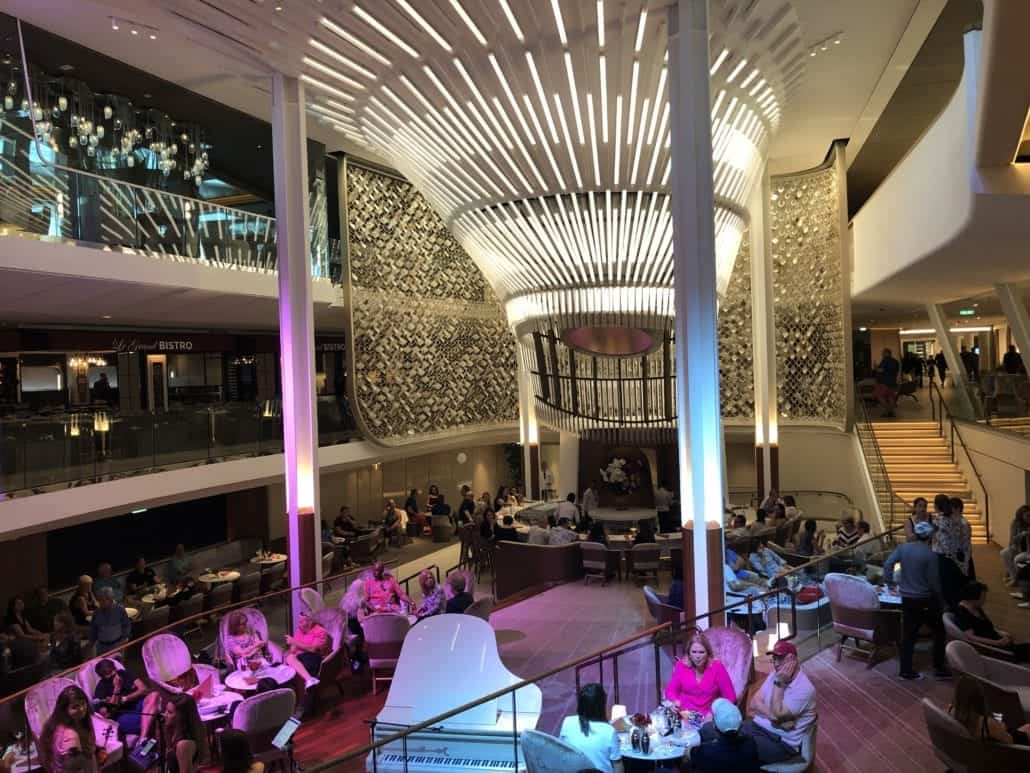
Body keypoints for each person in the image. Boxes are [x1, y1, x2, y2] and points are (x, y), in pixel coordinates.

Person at [714, 640, 815, 765]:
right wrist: (775, 718)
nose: (776, 664)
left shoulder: (804, 688)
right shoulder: (774, 674)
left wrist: (780, 683)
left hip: (781, 743)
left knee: (732, 749)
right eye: (774, 659)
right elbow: (754, 703)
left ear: (792, 660)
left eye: (780, 659)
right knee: (714, 731)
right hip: (756, 727)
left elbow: (777, 714)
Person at [883, 520, 949, 680]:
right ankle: (939, 667)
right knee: (939, 632)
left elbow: (888, 564)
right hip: (926, 599)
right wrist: (942, 600)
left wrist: (890, 582)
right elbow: (934, 582)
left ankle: (905, 670)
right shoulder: (930, 555)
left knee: (908, 635)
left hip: (907, 598)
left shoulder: (903, 548)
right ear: (929, 536)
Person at [665, 630, 737, 722]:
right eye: (694, 652)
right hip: (684, 715)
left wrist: (714, 712)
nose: (697, 656)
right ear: (689, 654)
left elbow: (730, 697)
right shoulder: (681, 665)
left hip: (709, 717)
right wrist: (674, 701)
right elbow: (671, 690)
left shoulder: (717, 667)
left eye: (701, 652)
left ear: (708, 654)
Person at [954, 581, 1030, 662]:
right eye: (983, 597)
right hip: (995, 651)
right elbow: (971, 638)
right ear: (973, 598)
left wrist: (1000, 632)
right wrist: (998, 642)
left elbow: (987, 626)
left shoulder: (975, 607)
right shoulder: (962, 613)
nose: (985, 599)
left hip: (1000, 643)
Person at [558, 683, 622, 773]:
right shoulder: (609, 731)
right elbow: (618, 766)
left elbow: (561, 749)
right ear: (601, 706)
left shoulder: (567, 722)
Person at [948, 674, 1030, 745]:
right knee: (1027, 728)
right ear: (978, 698)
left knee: (1027, 727)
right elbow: (1010, 741)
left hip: (999, 737)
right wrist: (1001, 726)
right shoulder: (986, 723)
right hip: (1016, 747)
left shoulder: (951, 710)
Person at [689, 698, 760, 772]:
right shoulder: (751, 745)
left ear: (714, 725)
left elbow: (689, 753)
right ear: (741, 726)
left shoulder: (705, 751)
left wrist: (691, 747)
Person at [39, 684, 98, 773]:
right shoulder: (71, 738)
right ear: (64, 710)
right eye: (75, 707)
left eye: (83, 703)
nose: (82, 709)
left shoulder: (63, 722)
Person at [91, 658, 150, 736]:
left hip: (137, 704)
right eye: (110, 674)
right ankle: (144, 737)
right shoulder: (101, 688)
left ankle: (144, 735)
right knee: (152, 717)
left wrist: (125, 698)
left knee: (154, 695)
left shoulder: (123, 673)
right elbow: (106, 713)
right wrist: (116, 689)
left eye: (114, 670)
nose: (116, 675)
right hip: (122, 715)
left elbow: (143, 689)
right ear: (103, 677)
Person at [285, 609, 330, 689]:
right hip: (300, 659)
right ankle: (309, 680)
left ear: (309, 622)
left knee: (290, 660)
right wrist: (292, 645)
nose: (299, 624)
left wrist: (295, 642)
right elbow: (293, 650)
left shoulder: (320, 631)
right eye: (299, 621)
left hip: (314, 658)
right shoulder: (299, 630)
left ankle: (309, 681)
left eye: (301, 622)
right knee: (288, 659)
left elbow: (313, 649)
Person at [932, 494, 971, 575]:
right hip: (955, 554)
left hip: (945, 555)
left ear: (935, 506)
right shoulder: (953, 520)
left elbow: (944, 543)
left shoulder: (938, 520)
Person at [89, 587, 131, 654]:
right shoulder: (96, 613)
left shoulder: (120, 610)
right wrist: (91, 645)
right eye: (99, 600)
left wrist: (124, 639)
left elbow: (126, 625)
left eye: (102, 600)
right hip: (101, 647)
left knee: (117, 663)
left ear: (110, 599)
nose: (100, 603)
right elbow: (93, 631)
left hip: (117, 645)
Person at [1002, 504, 1030, 585]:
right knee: (1005, 553)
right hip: (1019, 547)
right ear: (1021, 516)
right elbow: (1012, 540)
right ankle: (1013, 576)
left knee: (1016, 559)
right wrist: (1022, 534)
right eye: (1027, 516)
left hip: (1028, 551)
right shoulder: (1015, 523)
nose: (1029, 518)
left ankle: (1016, 578)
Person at [874, 348, 900, 417]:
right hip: (893, 383)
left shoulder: (885, 360)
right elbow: (896, 371)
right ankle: (891, 412)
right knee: (891, 397)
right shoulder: (896, 361)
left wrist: (876, 368)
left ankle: (887, 409)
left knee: (878, 395)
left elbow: (881, 370)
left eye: (883, 353)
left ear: (886, 353)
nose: (882, 354)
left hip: (884, 383)